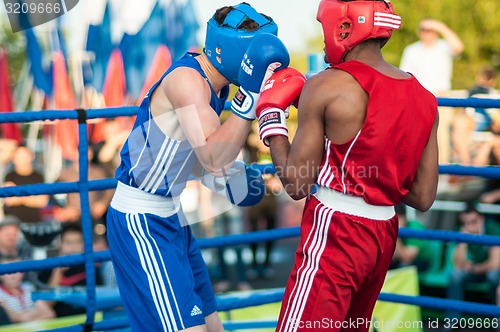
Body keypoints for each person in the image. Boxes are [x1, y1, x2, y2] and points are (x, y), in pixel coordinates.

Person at [254, 1, 439, 331]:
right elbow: (423, 196)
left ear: (343, 28)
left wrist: (271, 120)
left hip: (336, 231)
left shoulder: (326, 85)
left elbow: (296, 184)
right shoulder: (425, 98)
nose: (323, 38)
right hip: (383, 233)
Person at [105, 3, 288, 331]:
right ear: (231, 50)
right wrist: (250, 101)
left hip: (173, 217)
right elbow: (213, 157)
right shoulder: (188, 81)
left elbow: (197, 162)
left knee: (211, 324)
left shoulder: (218, 87)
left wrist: (228, 181)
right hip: (142, 221)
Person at [447, 203, 500, 319]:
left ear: (481, 219)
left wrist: (474, 268)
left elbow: (495, 264)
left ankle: (496, 317)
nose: (469, 226)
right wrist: (463, 241)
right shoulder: (462, 231)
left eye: (473, 222)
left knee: (493, 275)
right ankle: (453, 320)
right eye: (466, 223)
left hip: (492, 271)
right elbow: (457, 264)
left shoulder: (493, 229)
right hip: (476, 270)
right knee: (455, 275)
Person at [399, 18, 464, 96]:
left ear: (436, 32)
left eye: (430, 30)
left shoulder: (444, 46)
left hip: (441, 95)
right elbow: (405, 73)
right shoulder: (411, 50)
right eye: (423, 29)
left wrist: (441, 27)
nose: (425, 33)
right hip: (419, 95)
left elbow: (459, 47)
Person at [0, 256, 55, 323]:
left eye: (18, 270)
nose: (13, 274)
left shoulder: (29, 287)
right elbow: (12, 318)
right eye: (8, 271)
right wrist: (36, 312)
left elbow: (49, 314)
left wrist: (24, 317)